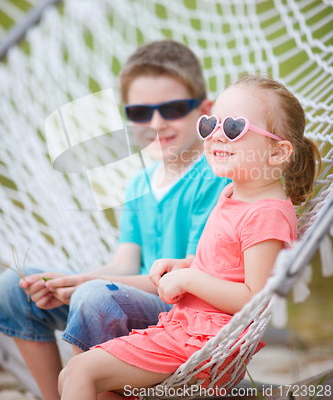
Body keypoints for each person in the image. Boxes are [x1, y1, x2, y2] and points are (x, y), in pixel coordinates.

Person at [58, 75, 321, 400]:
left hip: (208, 341)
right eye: (210, 125)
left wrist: (187, 279)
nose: (216, 137)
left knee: (82, 372)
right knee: (78, 377)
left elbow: (255, 298)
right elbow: (224, 265)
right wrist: (183, 264)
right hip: (185, 327)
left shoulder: (266, 214)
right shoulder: (233, 195)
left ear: (278, 153)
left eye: (235, 128)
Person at [0, 40, 230, 400]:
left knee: (94, 296)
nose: (156, 123)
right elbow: (124, 262)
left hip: (185, 318)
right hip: (135, 303)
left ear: (204, 110)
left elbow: (190, 280)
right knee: (14, 287)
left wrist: (89, 285)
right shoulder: (140, 181)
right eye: (140, 112)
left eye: (171, 108)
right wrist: (73, 281)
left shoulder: (215, 177)